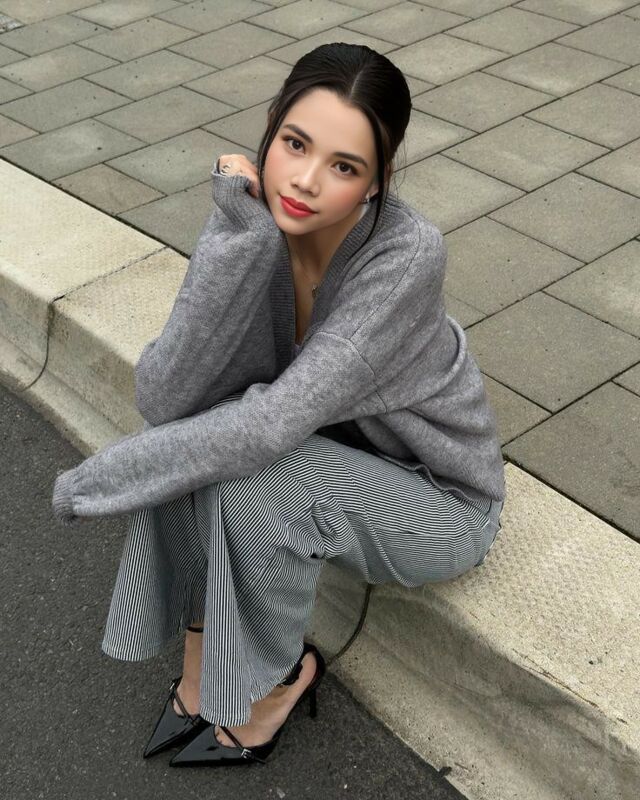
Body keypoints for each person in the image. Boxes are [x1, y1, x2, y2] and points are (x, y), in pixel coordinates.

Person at [51, 42, 506, 767]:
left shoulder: (404, 258)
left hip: (436, 503)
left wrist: (101, 477)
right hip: (325, 458)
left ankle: (279, 680)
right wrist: (237, 233)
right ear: (269, 128)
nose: (305, 181)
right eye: (295, 144)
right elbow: (166, 394)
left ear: (376, 182)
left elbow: (269, 427)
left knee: (248, 467)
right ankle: (201, 664)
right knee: (199, 434)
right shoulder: (261, 221)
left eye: (344, 167)